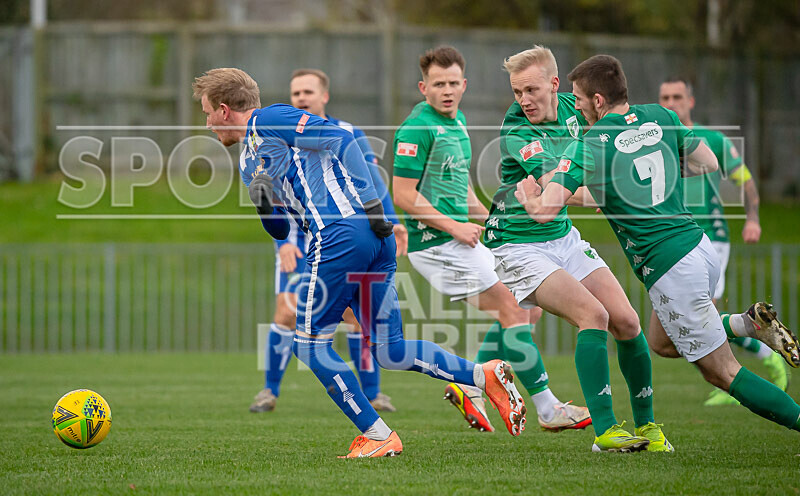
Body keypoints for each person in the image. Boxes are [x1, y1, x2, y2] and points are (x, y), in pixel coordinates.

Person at [193, 67, 527, 458]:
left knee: (309, 346)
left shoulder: (268, 118)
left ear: (222, 109)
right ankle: (482, 375)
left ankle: (378, 434)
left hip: (340, 234)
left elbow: (341, 137)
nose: (206, 124)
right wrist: (263, 201)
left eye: (206, 114)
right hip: (367, 241)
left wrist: (371, 202)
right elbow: (281, 230)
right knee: (390, 349)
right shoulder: (250, 159)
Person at [518, 54, 800, 444]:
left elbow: (548, 210)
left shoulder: (591, 143)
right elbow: (707, 162)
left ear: (598, 101)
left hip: (670, 265)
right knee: (661, 341)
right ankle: (745, 324)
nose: (577, 107)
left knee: (722, 371)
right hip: (700, 248)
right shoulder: (662, 116)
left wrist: (531, 200)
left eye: (580, 100)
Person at [392, 45, 589, 434]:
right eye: (438, 84)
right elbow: (403, 195)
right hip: (435, 244)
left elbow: (460, 188)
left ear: (464, 84)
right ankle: (548, 408)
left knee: (526, 309)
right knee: (515, 311)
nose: (447, 91)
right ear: (423, 87)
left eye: (453, 83)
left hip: (459, 238)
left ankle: (470, 384)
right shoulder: (417, 127)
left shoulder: (457, 122)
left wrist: (490, 218)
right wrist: (454, 227)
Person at [482, 45, 670, 453]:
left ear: (554, 84)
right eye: (517, 92)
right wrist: (618, 190)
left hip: (561, 236)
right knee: (594, 315)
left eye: (531, 90)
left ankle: (649, 427)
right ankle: (605, 432)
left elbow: (617, 130)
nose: (523, 100)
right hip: (517, 243)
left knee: (627, 321)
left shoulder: (576, 106)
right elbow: (558, 189)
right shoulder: (518, 129)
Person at [249, 68, 403, 414]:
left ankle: (374, 394)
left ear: (325, 96)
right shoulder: (278, 138)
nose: (301, 98)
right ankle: (269, 391)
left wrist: (391, 222)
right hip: (298, 240)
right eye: (296, 93)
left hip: (343, 234)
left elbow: (373, 183)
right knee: (287, 311)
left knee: (353, 315)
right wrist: (283, 244)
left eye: (308, 92)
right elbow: (274, 197)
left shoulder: (348, 133)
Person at [658, 77, 788, 406]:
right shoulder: (654, 142)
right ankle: (756, 341)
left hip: (710, 239)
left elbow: (744, 180)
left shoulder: (711, 140)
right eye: (664, 97)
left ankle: (743, 370)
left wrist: (754, 217)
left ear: (691, 101)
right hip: (673, 240)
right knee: (674, 334)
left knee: (704, 316)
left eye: (677, 96)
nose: (671, 102)